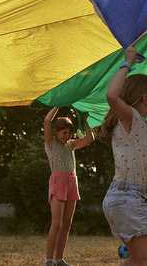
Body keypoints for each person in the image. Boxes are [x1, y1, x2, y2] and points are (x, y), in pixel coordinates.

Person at [94, 46, 147, 266]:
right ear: (145, 97)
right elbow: (111, 95)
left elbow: (134, 152)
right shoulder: (130, 116)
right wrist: (127, 62)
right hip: (128, 199)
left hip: (126, 198)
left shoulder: (138, 123)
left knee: (137, 260)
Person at [44, 106, 95, 266]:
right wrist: (58, 105)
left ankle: (59, 259)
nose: (67, 136)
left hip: (72, 181)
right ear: (55, 132)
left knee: (66, 224)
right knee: (57, 223)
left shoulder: (71, 145)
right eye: (64, 133)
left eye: (69, 133)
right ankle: (49, 260)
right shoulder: (51, 143)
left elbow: (89, 139)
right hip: (58, 182)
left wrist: (84, 121)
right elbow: (47, 121)